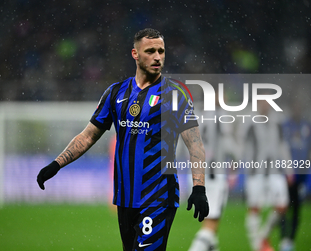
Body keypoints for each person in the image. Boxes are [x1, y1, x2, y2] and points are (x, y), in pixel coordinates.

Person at [36, 28, 209, 251]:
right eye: (150, 51)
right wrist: (56, 164)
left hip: (158, 196)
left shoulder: (175, 95)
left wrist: (199, 189)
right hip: (125, 198)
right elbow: (89, 136)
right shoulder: (116, 93)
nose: (157, 57)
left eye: (161, 51)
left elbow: (194, 143)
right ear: (135, 54)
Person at [188, 92, 241, 251]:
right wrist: (236, 160)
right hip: (214, 174)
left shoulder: (196, 114)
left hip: (199, 174)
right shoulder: (220, 116)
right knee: (211, 225)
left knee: (212, 229)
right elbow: (229, 143)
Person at [239, 98, 292, 251]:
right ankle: (258, 246)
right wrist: (236, 164)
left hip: (275, 170)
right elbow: (242, 144)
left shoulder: (277, 122)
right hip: (255, 171)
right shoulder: (249, 121)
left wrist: (289, 169)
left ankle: (262, 236)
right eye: (262, 102)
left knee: (283, 205)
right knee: (255, 207)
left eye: (267, 102)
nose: (265, 105)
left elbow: (283, 145)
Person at [280, 100, 311, 251]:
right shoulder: (286, 126)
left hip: (301, 175)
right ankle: (283, 237)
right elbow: (282, 149)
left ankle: (290, 240)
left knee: (297, 207)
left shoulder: (306, 126)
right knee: (284, 206)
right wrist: (287, 170)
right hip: (287, 174)